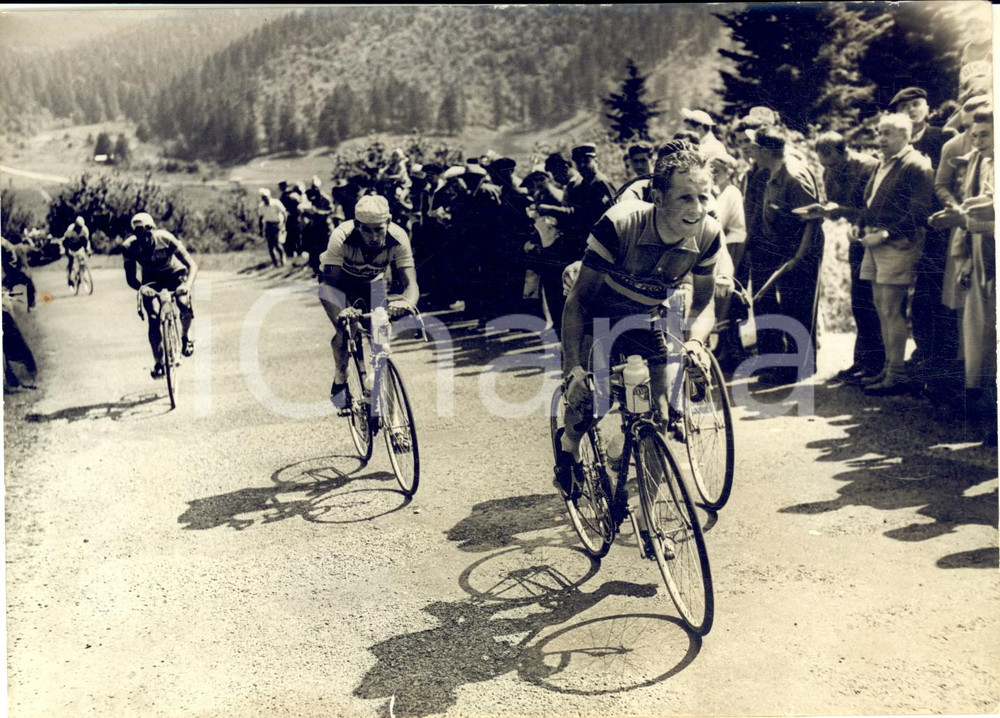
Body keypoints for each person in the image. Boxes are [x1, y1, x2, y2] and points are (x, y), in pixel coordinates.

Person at [554, 141, 731, 497]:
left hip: (644, 317)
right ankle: (569, 446)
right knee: (594, 405)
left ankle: (652, 525)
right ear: (659, 197)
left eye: (704, 197)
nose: (697, 209)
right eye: (685, 198)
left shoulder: (709, 235)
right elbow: (577, 303)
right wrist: (573, 369)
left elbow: (703, 305)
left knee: (659, 418)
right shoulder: (621, 225)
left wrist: (696, 341)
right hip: (597, 316)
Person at [857, 113, 934, 396]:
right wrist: (862, 226)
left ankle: (897, 374)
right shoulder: (883, 163)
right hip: (876, 242)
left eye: (887, 133)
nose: (881, 139)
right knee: (881, 306)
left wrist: (886, 234)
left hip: (898, 243)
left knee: (891, 308)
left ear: (906, 135)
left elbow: (919, 213)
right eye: (879, 133)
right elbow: (871, 201)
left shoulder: (916, 165)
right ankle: (890, 368)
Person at [317, 195, 419, 408]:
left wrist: (405, 303)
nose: (373, 237)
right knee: (348, 330)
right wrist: (343, 311)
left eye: (379, 229)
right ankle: (340, 379)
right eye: (367, 230)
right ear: (356, 225)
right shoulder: (341, 236)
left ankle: (394, 420)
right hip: (338, 285)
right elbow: (328, 285)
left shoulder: (399, 237)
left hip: (372, 283)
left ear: (388, 222)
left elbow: (411, 284)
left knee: (381, 335)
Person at [746, 125, 824, 386]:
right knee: (789, 305)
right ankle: (792, 366)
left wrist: (798, 258)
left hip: (800, 250)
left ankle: (800, 368)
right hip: (783, 249)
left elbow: (813, 220)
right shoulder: (772, 172)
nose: (751, 152)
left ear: (765, 151)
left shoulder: (793, 175)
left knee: (798, 307)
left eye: (755, 148)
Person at [812, 131, 882, 382]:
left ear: (844, 152)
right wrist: (825, 211)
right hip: (855, 240)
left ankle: (877, 363)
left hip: (877, 239)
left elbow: (875, 210)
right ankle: (862, 360)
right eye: (824, 165)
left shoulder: (869, 168)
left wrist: (839, 210)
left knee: (874, 303)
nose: (829, 169)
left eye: (832, 163)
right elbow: (835, 205)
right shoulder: (828, 170)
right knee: (859, 302)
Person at [122, 212, 198, 379]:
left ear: (153, 229)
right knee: (154, 317)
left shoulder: (166, 238)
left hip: (174, 274)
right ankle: (159, 362)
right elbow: (131, 278)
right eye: (138, 233)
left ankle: (186, 337)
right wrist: (141, 288)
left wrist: (187, 285)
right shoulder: (129, 247)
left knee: (183, 303)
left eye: (146, 232)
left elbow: (192, 264)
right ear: (134, 234)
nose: (143, 237)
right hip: (151, 281)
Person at [257, 188, 288, 267]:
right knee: (270, 246)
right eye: (263, 198)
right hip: (268, 225)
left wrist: (283, 223)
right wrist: (260, 230)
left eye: (266, 197)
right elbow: (260, 219)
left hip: (276, 224)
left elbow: (284, 212)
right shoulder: (261, 206)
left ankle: (282, 258)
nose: (265, 199)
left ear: (269, 196)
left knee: (277, 243)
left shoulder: (276, 203)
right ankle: (275, 263)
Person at [61, 216, 91, 288]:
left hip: (79, 244)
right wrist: (68, 251)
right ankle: (69, 278)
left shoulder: (85, 230)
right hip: (70, 244)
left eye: (80, 227)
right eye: (78, 227)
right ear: (75, 226)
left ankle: (82, 273)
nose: (79, 229)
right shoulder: (70, 230)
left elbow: (86, 241)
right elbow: (65, 241)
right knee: (71, 259)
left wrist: (88, 250)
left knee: (82, 258)